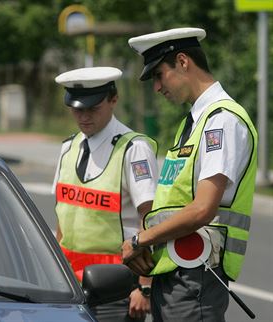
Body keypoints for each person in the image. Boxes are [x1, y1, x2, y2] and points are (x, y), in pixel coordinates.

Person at [121, 27, 258, 322]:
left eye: (159, 75)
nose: (157, 87)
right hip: (176, 274)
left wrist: (139, 241)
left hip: (195, 277)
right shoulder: (193, 123)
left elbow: (202, 209)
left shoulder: (220, 121)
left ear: (183, 62)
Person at [53, 67, 159, 322]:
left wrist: (145, 286)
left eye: (92, 108)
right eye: (78, 109)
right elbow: (62, 217)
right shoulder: (68, 148)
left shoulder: (133, 149)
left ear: (113, 100)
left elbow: (152, 219)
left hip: (118, 290)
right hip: (71, 286)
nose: (84, 117)